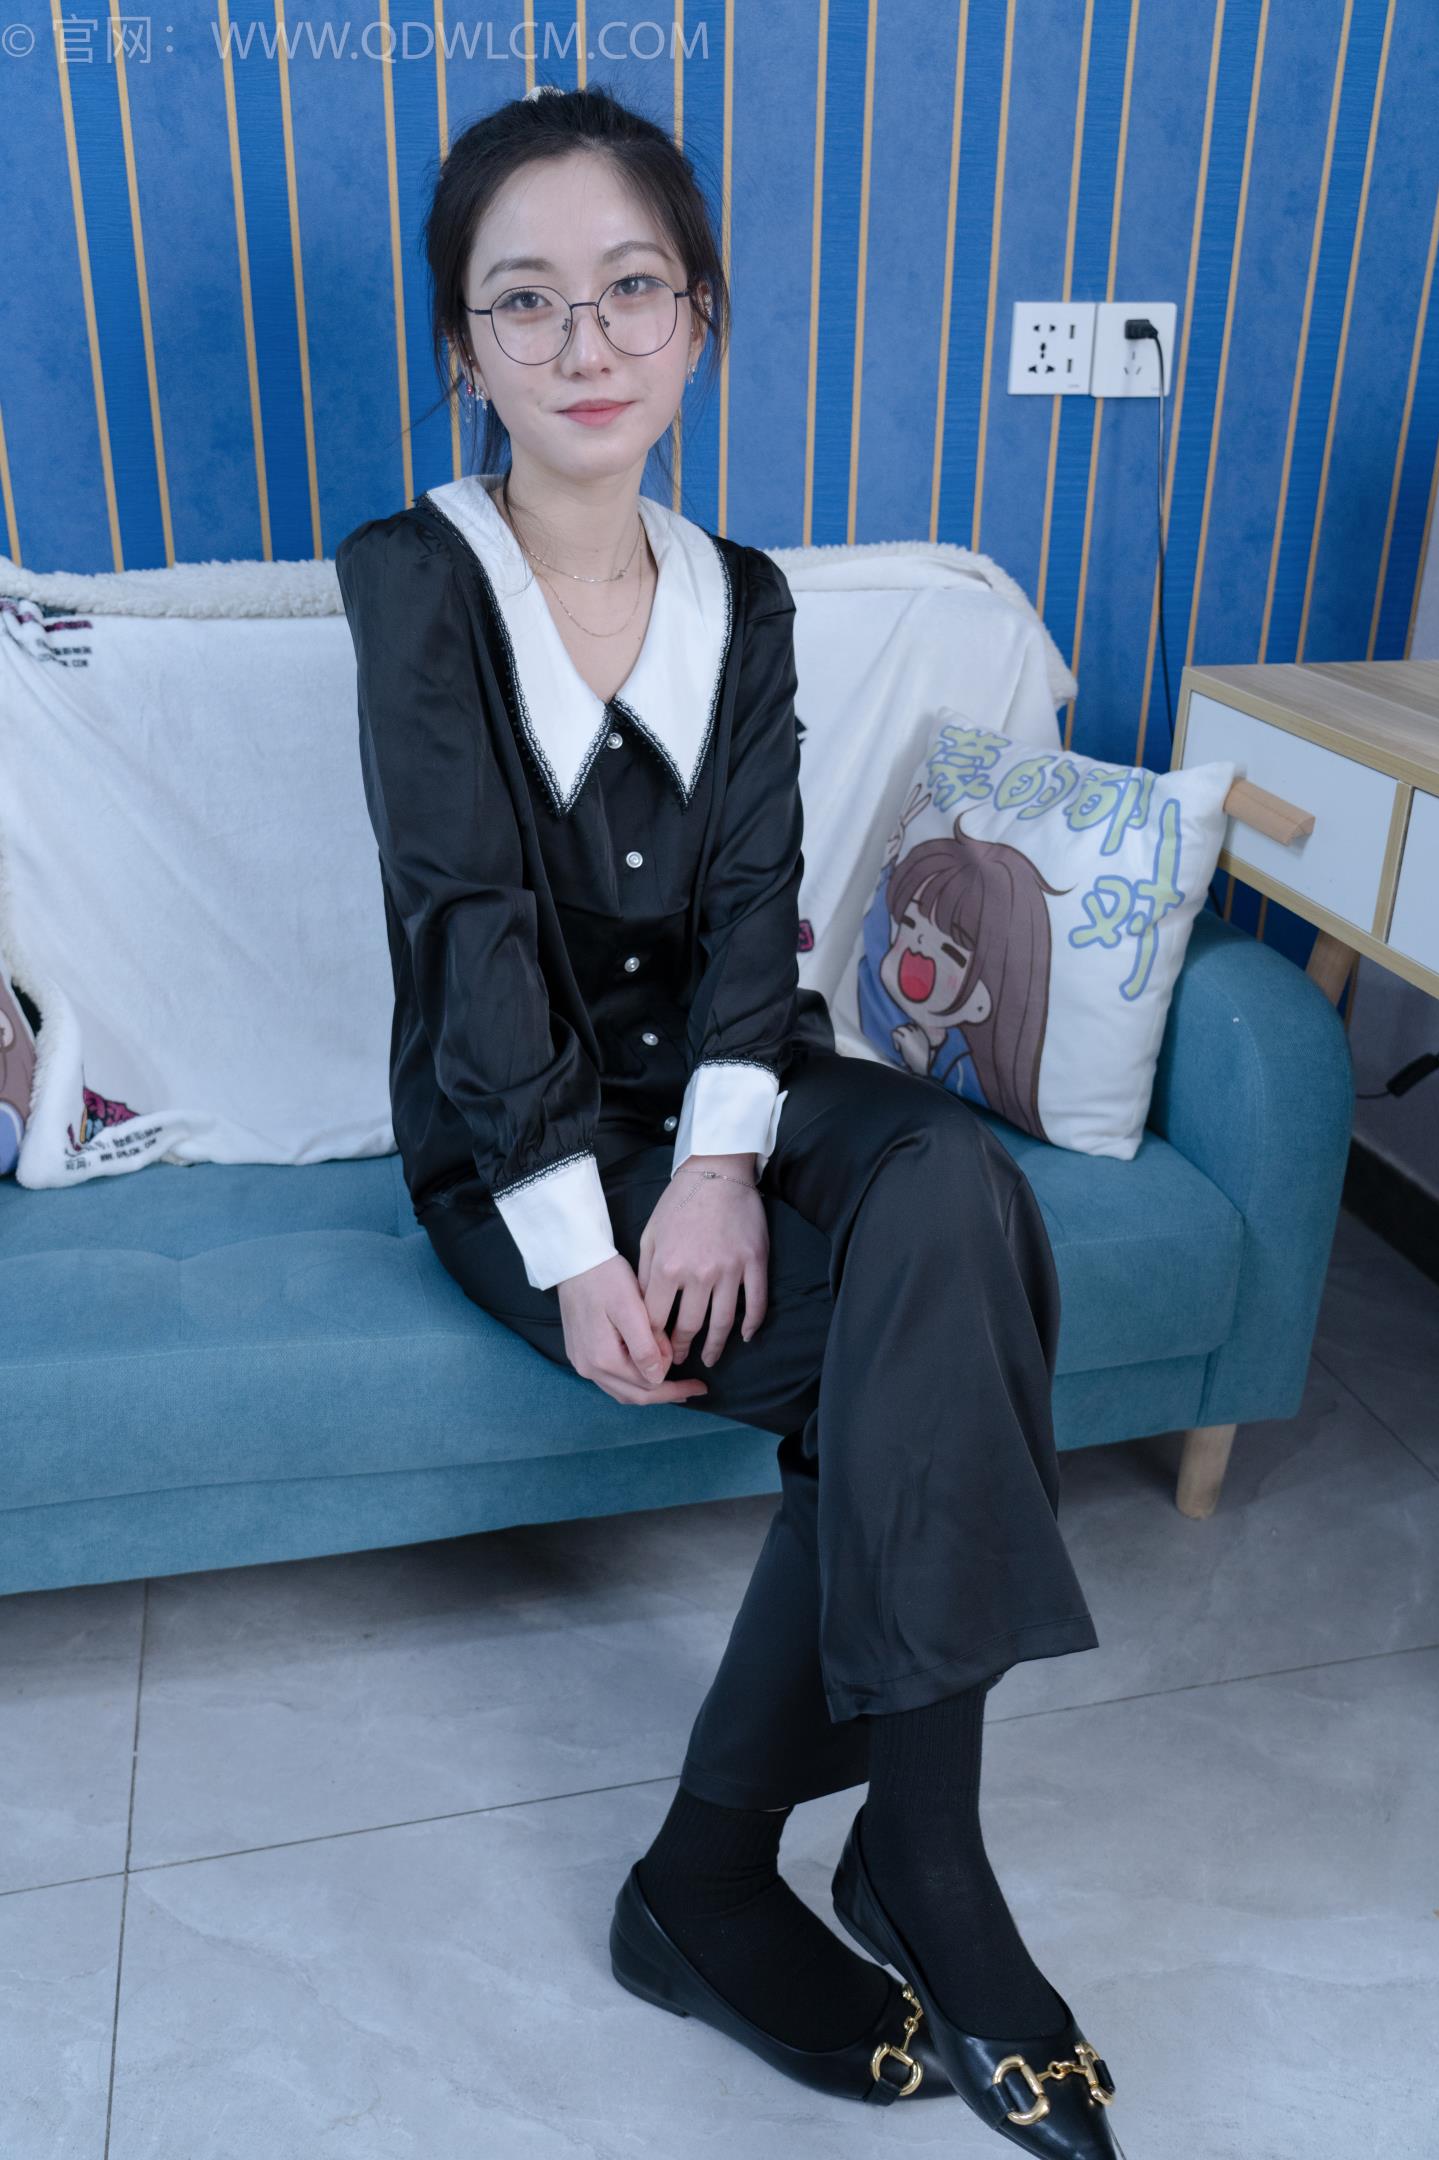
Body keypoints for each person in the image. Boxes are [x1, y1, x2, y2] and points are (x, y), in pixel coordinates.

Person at [336, 81, 1124, 2151]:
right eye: (526, 300)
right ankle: (803, 1875)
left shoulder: (742, 598)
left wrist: (716, 1169)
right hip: (519, 1142)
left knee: (947, 1180)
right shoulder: (415, 578)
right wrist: (585, 1238)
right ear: (465, 347)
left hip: (725, 1097)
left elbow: (758, 914)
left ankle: (859, 1865)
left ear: (697, 319)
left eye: (631, 290)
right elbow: (462, 925)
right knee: (914, 1330)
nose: (584, 341)